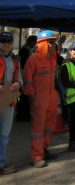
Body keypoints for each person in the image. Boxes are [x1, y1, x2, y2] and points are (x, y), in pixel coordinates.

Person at [23, 30, 59, 168]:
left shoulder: (53, 58)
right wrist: (32, 96)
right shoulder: (33, 59)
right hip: (39, 98)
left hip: (50, 97)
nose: (53, 45)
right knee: (38, 128)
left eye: (54, 42)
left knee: (49, 126)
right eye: (50, 42)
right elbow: (27, 81)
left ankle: (44, 149)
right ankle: (37, 156)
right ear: (42, 43)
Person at [0, 32, 21, 174]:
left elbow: (19, 78)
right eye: (3, 42)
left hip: (8, 100)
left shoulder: (15, 60)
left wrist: (18, 84)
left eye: (9, 42)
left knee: (4, 134)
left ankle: (1, 164)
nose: (6, 44)